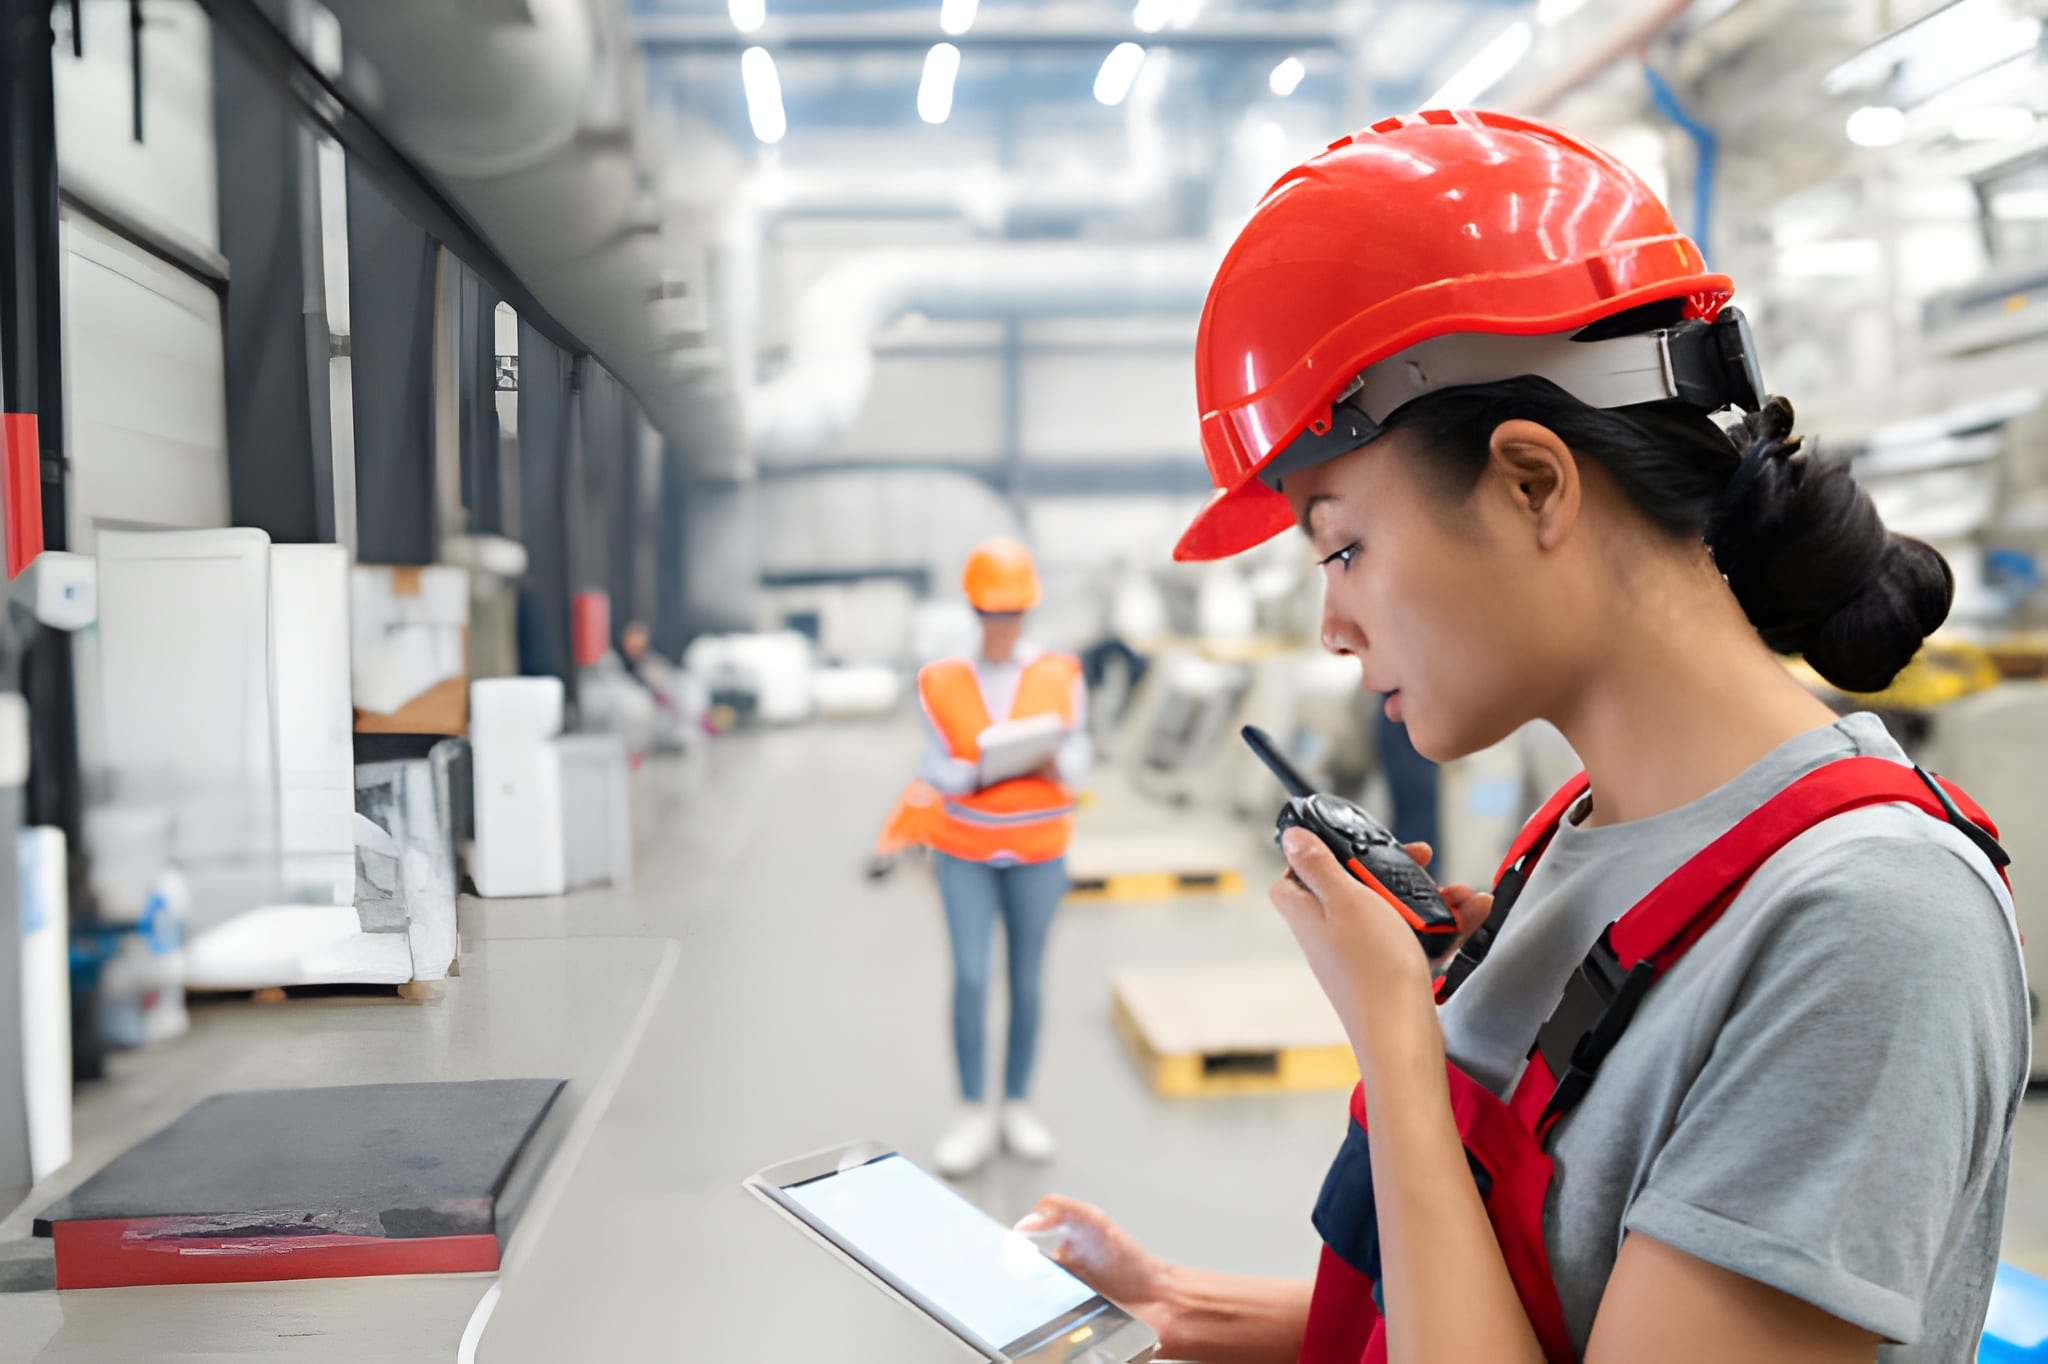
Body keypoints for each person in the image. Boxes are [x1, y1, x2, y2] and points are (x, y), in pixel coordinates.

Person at [1017, 111, 2027, 1363]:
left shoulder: (1865, 925)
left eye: (1342, 545)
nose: (1332, 624)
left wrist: (1395, 1043)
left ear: (1531, 482)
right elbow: (1543, 1305)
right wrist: (1185, 1311)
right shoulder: (1575, 838)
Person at [915, 539, 1091, 1176]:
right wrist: (974, 770)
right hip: (964, 848)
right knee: (968, 974)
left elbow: (1080, 757)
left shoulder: (1060, 674)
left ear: (1027, 611)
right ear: (974, 610)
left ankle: (1016, 1104)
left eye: (1012, 612)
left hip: (1040, 850)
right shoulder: (941, 680)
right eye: (993, 612)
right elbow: (932, 765)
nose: (1002, 624)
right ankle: (971, 1109)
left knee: (1027, 978)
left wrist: (1052, 759)